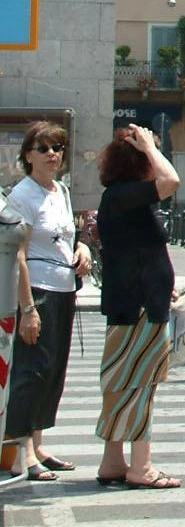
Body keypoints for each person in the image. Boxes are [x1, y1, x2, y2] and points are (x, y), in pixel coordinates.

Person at [93, 123, 183, 489]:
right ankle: (141, 466)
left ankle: (113, 460)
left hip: (133, 301)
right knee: (142, 383)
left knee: (120, 381)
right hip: (139, 305)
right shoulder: (125, 194)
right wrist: (149, 146)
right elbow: (173, 180)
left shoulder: (121, 197)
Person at [3, 121, 91, 481]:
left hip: (64, 287)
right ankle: (19, 451)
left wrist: (82, 248)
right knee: (32, 370)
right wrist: (27, 309)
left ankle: (37, 442)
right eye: (44, 149)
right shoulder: (22, 195)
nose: (52, 154)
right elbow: (18, 254)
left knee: (53, 370)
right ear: (28, 156)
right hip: (37, 288)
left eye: (57, 148)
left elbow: (69, 234)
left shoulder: (61, 191)